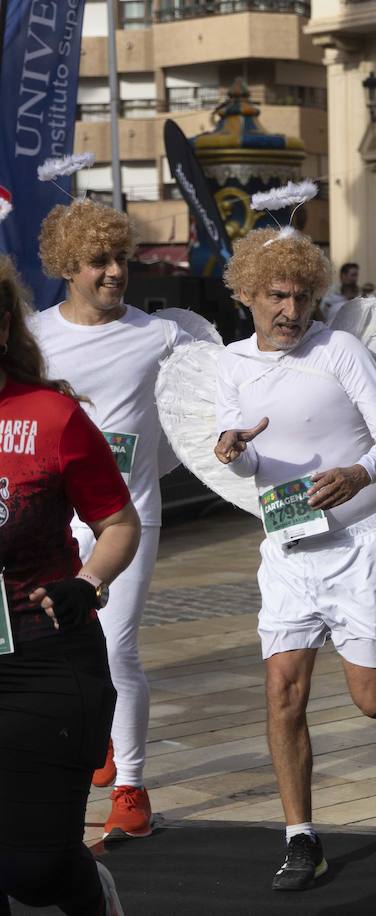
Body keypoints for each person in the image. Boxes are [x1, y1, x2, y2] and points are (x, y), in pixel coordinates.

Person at [214, 228, 376, 891]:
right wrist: (237, 452)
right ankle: (301, 838)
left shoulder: (339, 348)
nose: (290, 311)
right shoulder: (229, 363)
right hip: (289, 548)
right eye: (275, 297)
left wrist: (355, 473)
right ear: (247, 296)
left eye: (300, 297)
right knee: (283, 692)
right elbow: (255, 454)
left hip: (362, 543)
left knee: (372, 698)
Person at [31, 198, 196, 841]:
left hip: (127, 519)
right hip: (46, 521)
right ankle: (93, 733)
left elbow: (221, 389)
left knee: (118, 645)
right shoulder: (36, 337)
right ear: (68, 267)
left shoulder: (163, 336)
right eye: (98, 261)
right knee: (51, 649)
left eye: (121, 259)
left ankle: (131, 786)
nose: (113, 272)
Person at [0, 253, 141, 916]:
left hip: (44, 658)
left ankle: (88, 889)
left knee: (33, 868)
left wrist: (89, 581)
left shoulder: (50, 416)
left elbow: (118, 523)